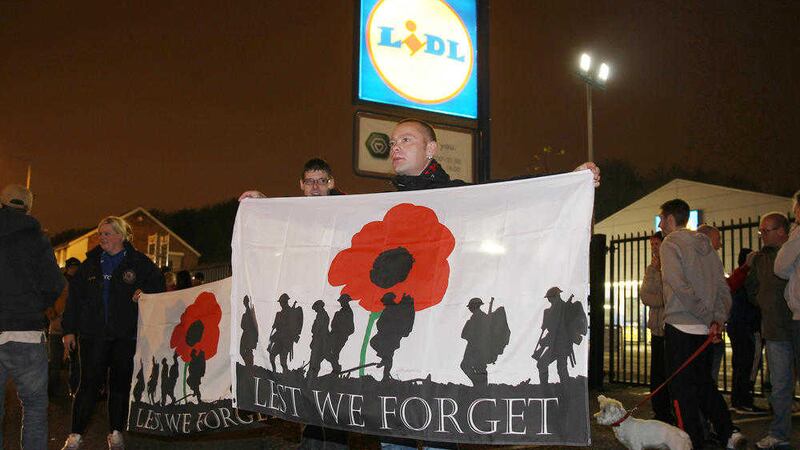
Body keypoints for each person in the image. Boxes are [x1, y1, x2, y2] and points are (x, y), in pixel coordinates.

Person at [61, 216, 165, 450]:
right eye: (100, 233)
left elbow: (158, 285)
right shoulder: (90, 264)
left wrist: (144, 291)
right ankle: (75, 435)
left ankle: (116, 432)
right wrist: (69, 330)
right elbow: (74, 300)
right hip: (93, 336)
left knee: (119, 386)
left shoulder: (139, 262)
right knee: (88, 385)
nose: (102, 237)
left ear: (121, 236)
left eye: (107, 233)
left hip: (124, 337)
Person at [657, 199, 743, 450]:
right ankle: (728, 432)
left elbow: (678, 285)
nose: (661, 225)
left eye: (662, 219)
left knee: (681, 393)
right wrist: (716, 318)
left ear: (672, 219)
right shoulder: (707, 247)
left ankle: (692, 442)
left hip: (681, 327)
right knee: (704, 385)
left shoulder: (670, 244)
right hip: (705, 331)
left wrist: (708, 316)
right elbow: (722, 287)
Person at [0, 184, 65, 450]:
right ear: (28, 207)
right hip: (27, 330)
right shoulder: (38, 239)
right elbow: (54, 283)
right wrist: (37, 305)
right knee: (36, 407)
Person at [748, 212, 793, 449]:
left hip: (794, 324)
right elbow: (751, 288)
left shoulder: (793, 251)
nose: (762, 235)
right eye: (761, 231)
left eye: (766, 231)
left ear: (782, 231)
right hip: (774, 330)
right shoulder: (760, 260)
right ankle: (779, 434)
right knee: (780, 386)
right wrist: (764, 302)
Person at [725, 248, 765, 414]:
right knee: (750, 364)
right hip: (749, 326)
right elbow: (756, 300)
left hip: (737, 326)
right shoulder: (748, 278)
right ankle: (745, 400)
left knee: (740, 364)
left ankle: (738, 400)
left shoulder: (738, 278)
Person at [639, 231, 674, 423]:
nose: (654, 248)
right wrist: (663, 300)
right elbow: (645, 295)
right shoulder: (651, 269)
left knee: (671, 371)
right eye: (651, 245)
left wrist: (662, 300)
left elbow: (672, 294)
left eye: (656, 244)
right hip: (656, 328)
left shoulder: (672, 265)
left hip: (672, 326)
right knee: (657, 372)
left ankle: (674, 409)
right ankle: (660, 410)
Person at [697, 224, 726, 386]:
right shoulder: (703, 265)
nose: (720, 244)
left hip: (710, 330)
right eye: (718, 239)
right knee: (706, 380)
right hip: (706, 333)